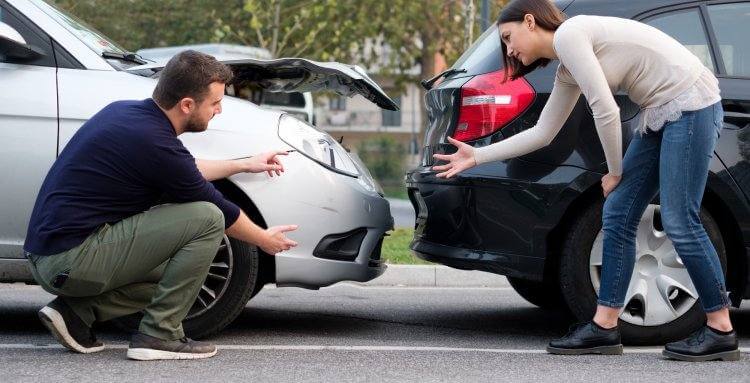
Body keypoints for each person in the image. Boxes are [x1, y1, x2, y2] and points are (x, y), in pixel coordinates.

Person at [432, 0, 739, 362]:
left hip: (691, 105)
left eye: (508, 37)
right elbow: (543, 132)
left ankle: (720, 328)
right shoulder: (567, 67)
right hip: (661, 111)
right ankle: (605, 326)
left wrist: (614, 171)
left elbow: (606, 110)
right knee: (619, 211)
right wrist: (477, 155)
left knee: (679, 218)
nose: (508, 49)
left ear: (530, 21)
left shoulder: (571, 34)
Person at [24, 50, 298, 361]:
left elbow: (184, 168)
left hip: (55, 255)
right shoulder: (154, 142)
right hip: (70, 260)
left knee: (182, 271)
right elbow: (218, 207)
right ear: (187, 105)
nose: (219, 110)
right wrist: (265, 240)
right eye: (215, 103)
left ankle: (75, 314)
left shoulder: (127, 114)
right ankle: (159, 334)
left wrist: (245, 164)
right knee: (207, 217)